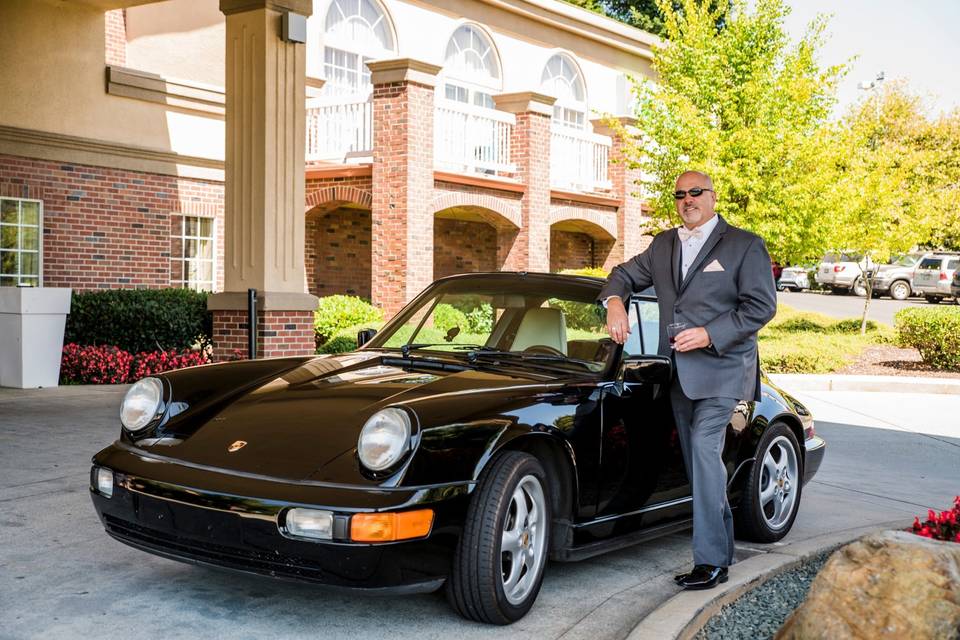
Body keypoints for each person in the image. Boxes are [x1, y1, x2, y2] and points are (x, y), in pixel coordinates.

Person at [598, 170, 777, 590]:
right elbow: (622, 275)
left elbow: (761, 307)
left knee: (701, 450)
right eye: (680, 194)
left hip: (724, 369)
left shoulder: (744, 245)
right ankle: (722, 546)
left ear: (713, 197)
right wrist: (614, 304)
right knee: (702, 467)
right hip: (678, 374)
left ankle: (710, 561)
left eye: (696, 192)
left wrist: (711, 333)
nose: (688, 199)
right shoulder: (663, 244)